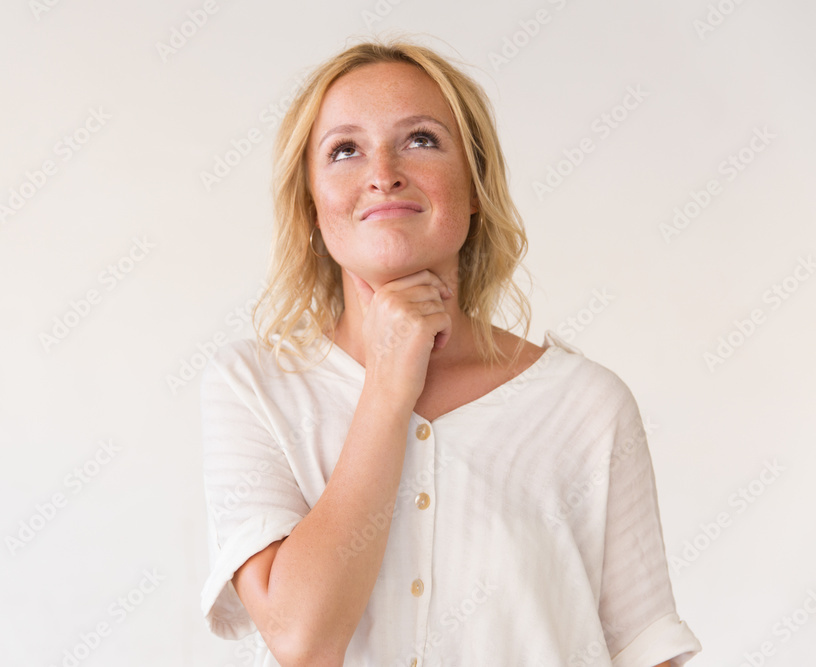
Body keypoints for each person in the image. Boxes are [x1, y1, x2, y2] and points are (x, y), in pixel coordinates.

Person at [199, 35, 702, 667]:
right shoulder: (253, 387)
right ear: (310, 204)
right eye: (345, 149)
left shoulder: (587, 406)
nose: (383, 172)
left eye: (421, 139)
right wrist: (388, 382)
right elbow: (303, 638)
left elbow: (648, 653)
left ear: (475, 185)